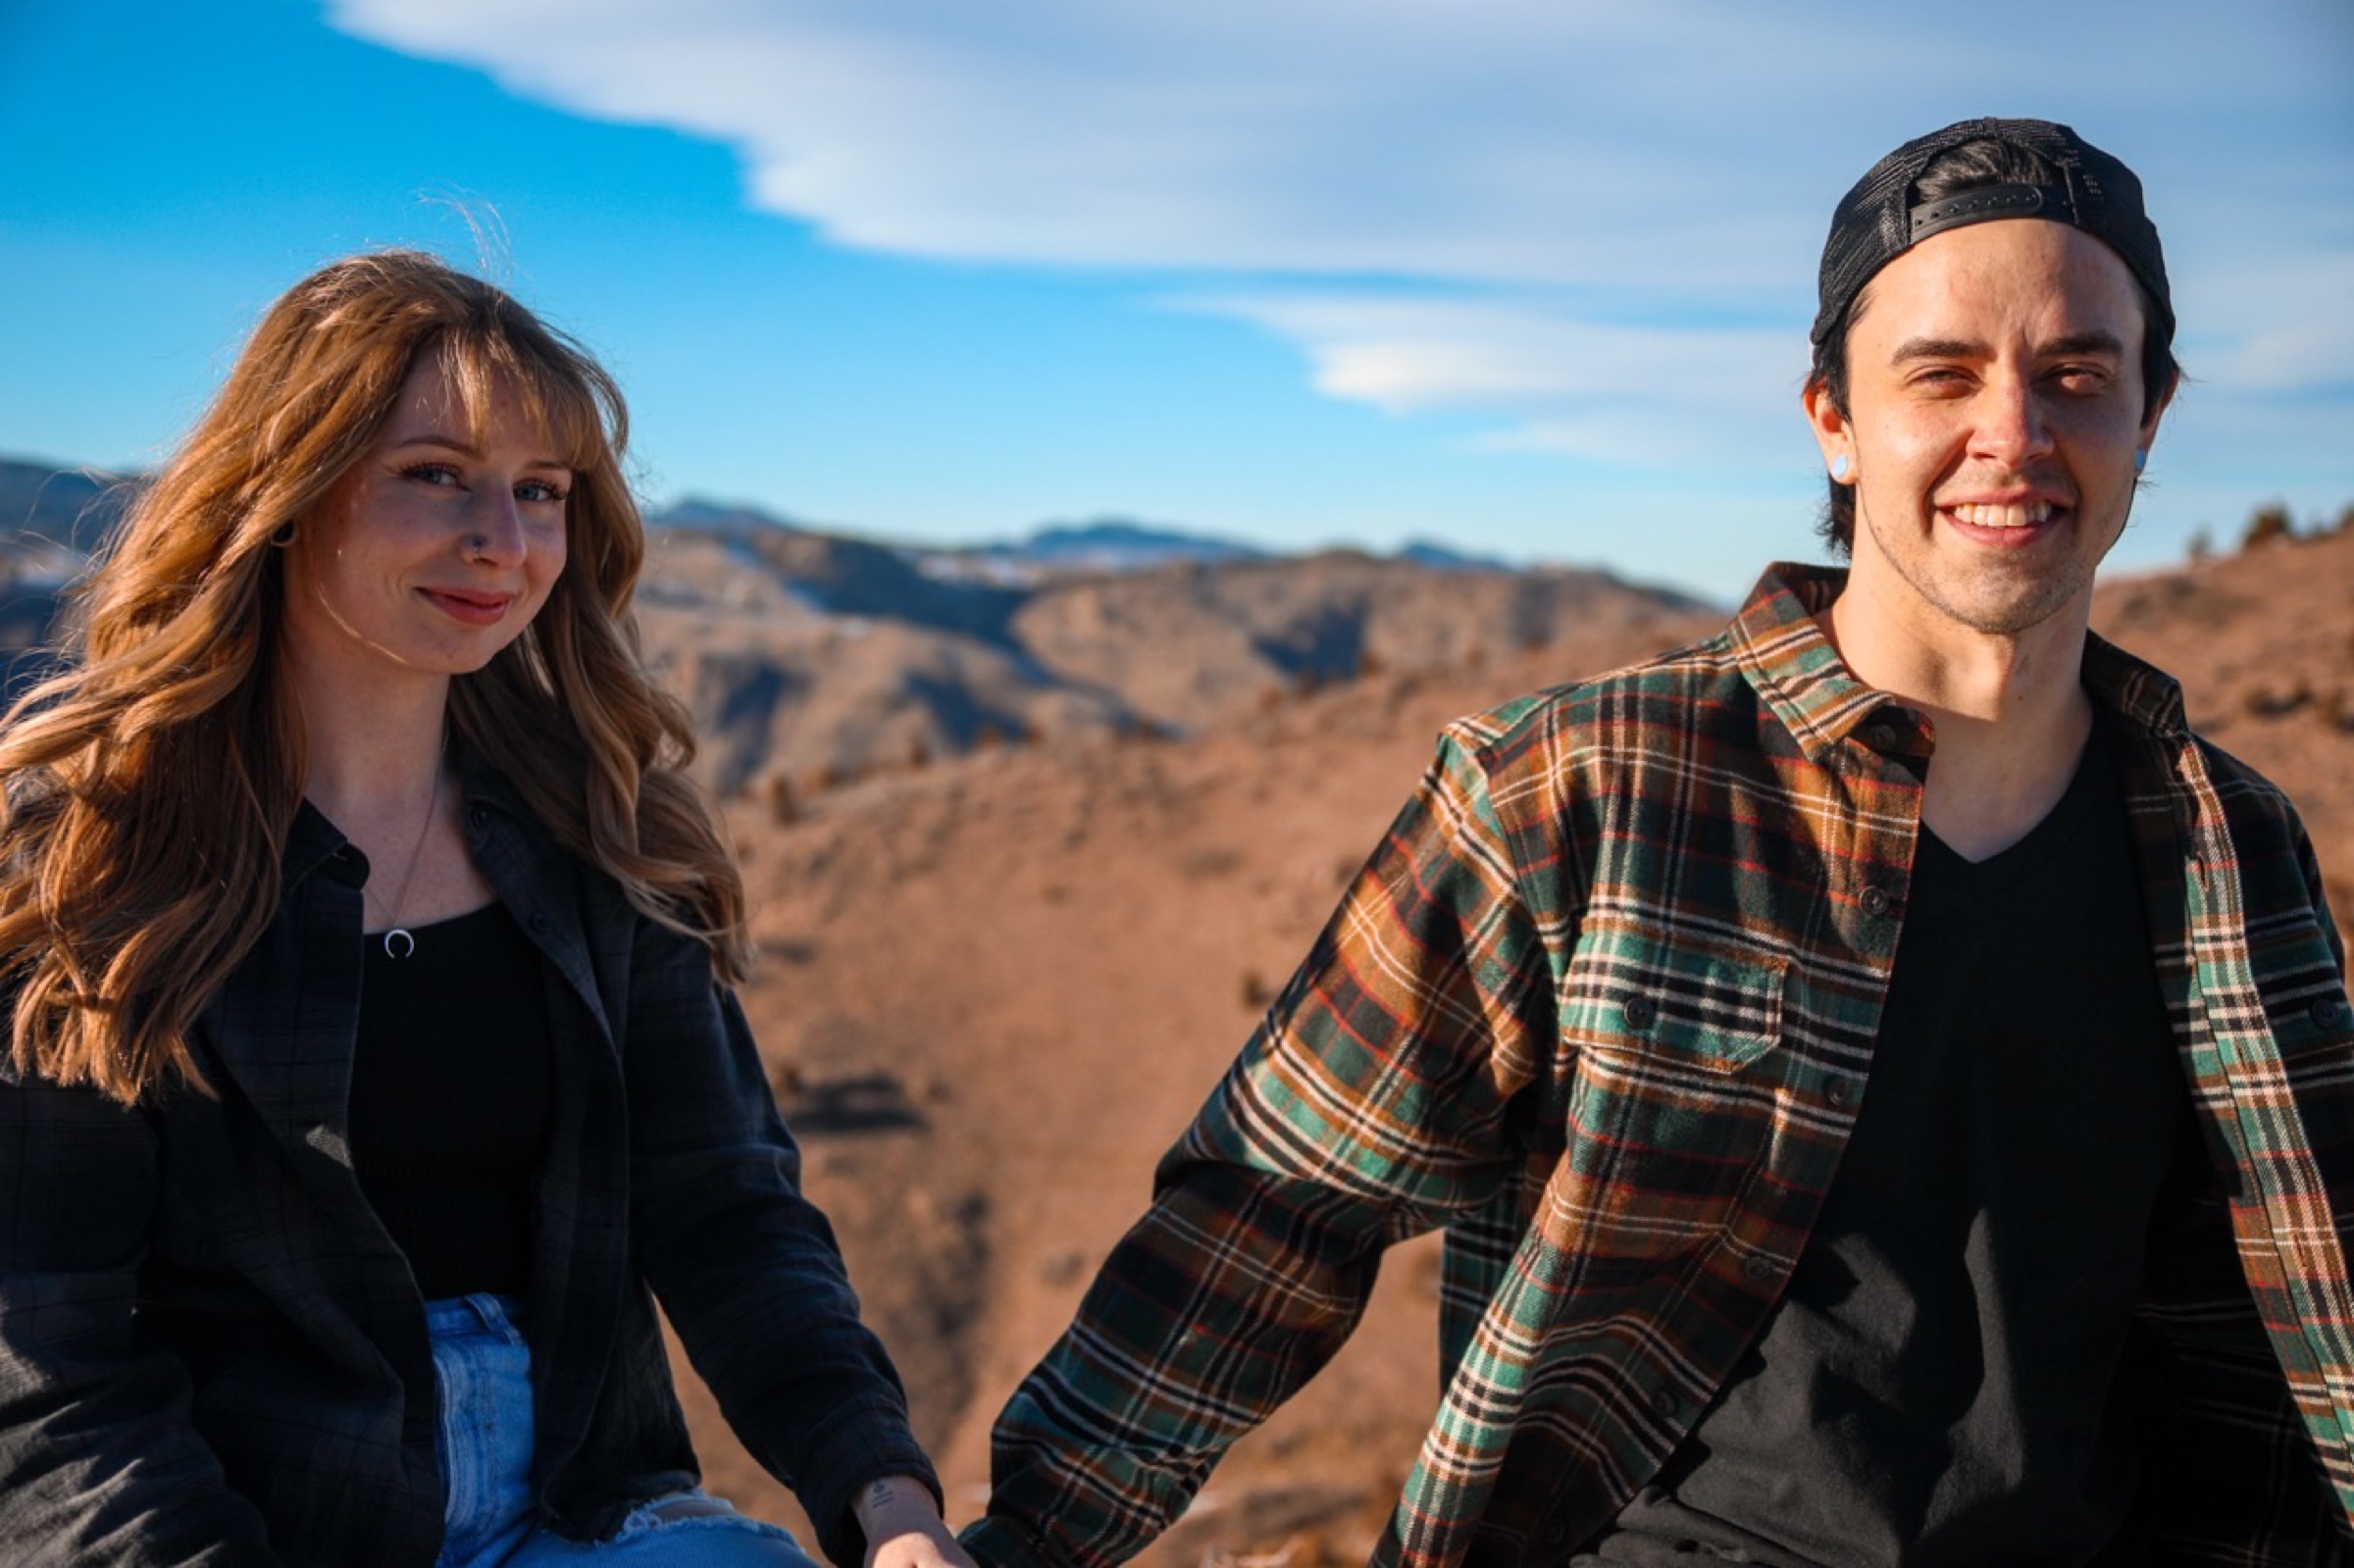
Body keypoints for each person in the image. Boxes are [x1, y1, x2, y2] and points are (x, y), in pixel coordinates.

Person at [963, 119, 2354, 1566]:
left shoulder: (2224, 848)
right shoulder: (1585, 789)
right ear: (1832, 415)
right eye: (1941, 374)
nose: (2015, 432)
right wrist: (1023, 1541)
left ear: (2153, 409)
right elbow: (1271, 1214)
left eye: (2078, 374)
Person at [0, 252, 980, 1568]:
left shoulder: (599, 839)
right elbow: (51, 1362)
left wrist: (886, 1500)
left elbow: (727, 1211)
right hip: (238, 1526)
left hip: (592, 1513)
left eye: (540, 494)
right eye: (434, 476)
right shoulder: (95, 872)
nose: (503, 544)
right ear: (287, 491)